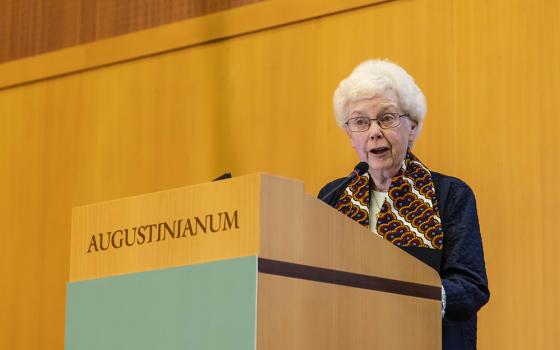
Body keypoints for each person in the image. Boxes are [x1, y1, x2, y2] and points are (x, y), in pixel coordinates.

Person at [318, 59, 490, 350]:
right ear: (350, 135)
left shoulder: (449, 195)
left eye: (386, 118)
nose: (373, 131)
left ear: (413, 127)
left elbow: (471, 287)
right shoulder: (332, 198)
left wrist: (407, 297)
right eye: (360, 122)